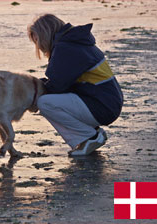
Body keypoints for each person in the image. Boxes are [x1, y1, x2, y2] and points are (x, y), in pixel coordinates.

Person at [27, 14, 123, 156]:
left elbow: (57, 87)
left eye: (36, 39)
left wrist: (31, 93)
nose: (38, 45)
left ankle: (89, 137)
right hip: (107, 103)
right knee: (50, 100)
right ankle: (92, 133)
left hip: (103, 106)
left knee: (45, 103)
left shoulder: (66, 48)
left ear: (44, 35)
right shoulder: (74, 42)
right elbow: (64, 83)